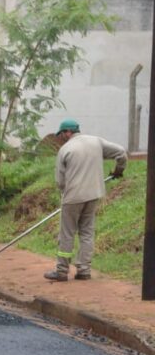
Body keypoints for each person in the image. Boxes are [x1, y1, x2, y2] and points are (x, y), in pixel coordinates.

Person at [44, 119, 127, 282]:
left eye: (61, 135)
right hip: (93, 195)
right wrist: (118, 171)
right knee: (87, 232)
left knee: (67, 234)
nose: (61, 138)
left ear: (68, 132)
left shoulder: (65, 149)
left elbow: (60, 182)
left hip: (73, 197)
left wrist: (64, 194)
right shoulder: (96, 142)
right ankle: (84, 270)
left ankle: (61, 271)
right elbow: (121, 153)